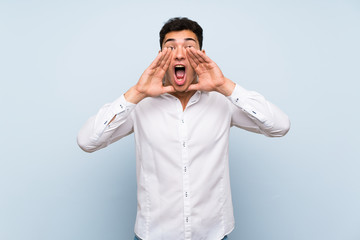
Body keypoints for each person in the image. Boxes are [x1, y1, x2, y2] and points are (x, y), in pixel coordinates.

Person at [77, 17, 290, 240]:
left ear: (202, 54)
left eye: (189, 47)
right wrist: (137, 92)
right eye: (170, 47)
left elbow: (280, 126)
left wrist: (224, 86)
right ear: (160, 56)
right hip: (153, 235)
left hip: (213, 234)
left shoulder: (223, 102)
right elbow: (87, 141)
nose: (179, 54)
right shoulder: (140, 105)